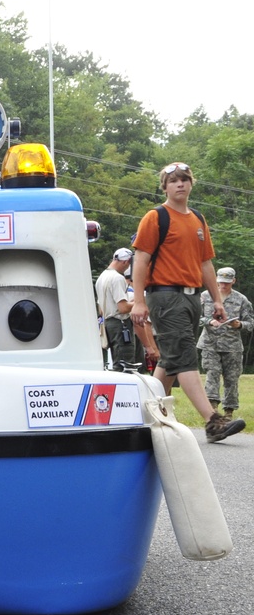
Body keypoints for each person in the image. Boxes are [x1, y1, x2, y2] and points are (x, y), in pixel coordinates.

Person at [130, 162, 245, 443]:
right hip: (165, 295)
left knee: (170, 359)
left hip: (192, 297)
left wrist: (217, 301)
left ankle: (148, 415)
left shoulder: (198, 219)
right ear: (165, 187)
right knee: (184, 357)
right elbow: (140, 259)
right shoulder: (156, 217)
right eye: (173, 181)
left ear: (191, 184)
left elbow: (206, 263)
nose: (179, 184)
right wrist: (138, 300)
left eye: (184, 179)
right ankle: (213, 421)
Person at [197, 267, 253, 420]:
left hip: (232, 346)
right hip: (210, 344)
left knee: (231, 379)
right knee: (212, 375)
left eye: (227, 282)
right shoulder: (205, 296)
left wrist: (239, 325)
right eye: (221, 282)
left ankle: (229, 412)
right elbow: (195, 317)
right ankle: (213, 411)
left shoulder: (241, 299)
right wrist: (209, 321)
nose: (223, 285)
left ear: (233, 281)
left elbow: (250, 323)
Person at [95, 247, 137, 370]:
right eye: (129, 263)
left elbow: (101, 309)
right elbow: (123, 308)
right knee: (125, 365)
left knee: (116, 362)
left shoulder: (101, 277)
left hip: (108, 324)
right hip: (121, 324)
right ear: (125, 261)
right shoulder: (118, 278)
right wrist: (138, 303)